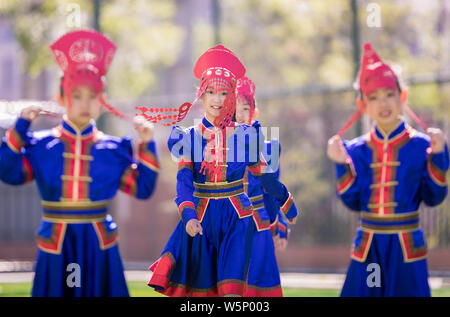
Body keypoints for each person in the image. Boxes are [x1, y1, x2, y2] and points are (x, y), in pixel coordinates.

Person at [0, 29, 159, 297]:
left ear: (102, 101)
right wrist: (20, 127)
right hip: (56, 242)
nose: (85, 103)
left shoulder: (114, 149)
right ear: (62, 98)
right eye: (77, 95)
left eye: (93, 96)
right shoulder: (41, 146)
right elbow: (10, 173)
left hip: (99, 243)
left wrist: (147, 143)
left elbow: (141, 189)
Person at [148, 45, 298, 297]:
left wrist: (286, 203)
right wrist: (188, 215)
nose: (218, 99)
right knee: (202, 295)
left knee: (232, 293)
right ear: (201, 97)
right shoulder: (190, 138)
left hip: (238, 218)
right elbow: (183, 182)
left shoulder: (245, 137)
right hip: (201, 217)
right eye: (211, 92)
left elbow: (265, 175)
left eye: (224, 94)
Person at [327, 43, 448, 297]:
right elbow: (352, 202)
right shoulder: (356, 150)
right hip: (368, 246)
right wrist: (341, 163)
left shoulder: (422, 146)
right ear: (363, 105)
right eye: (373, 97)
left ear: (402, 97)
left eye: (389, 94)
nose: (383, 103)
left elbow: (433, 197)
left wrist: (438, 157)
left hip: (406, 247)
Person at [235, 76, 288, 296]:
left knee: (258, 287)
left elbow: (273, 190)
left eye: (245, 108)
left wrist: (279, 226)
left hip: (259, 225)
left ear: (254, 113)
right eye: (233, 108)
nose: (239, 114)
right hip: (225, 224)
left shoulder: (269, 148)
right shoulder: (215, 145)